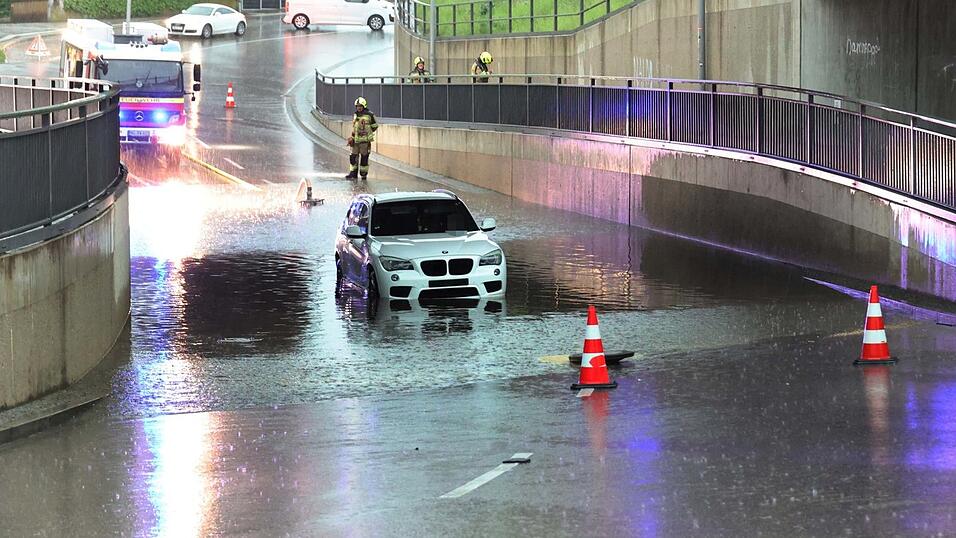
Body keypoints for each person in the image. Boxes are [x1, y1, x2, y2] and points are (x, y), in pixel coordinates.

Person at [346, 97, 378, 180]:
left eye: (360, 106)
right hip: (355, 140)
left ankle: (363, 174)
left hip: (364, 142)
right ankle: (353, 173)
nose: (359, 107)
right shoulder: (355, 115)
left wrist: (367, 132)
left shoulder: (370, 115)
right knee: (353, 157)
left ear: (364, 106)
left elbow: (375, 126)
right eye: (357, 106)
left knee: (364, 158)